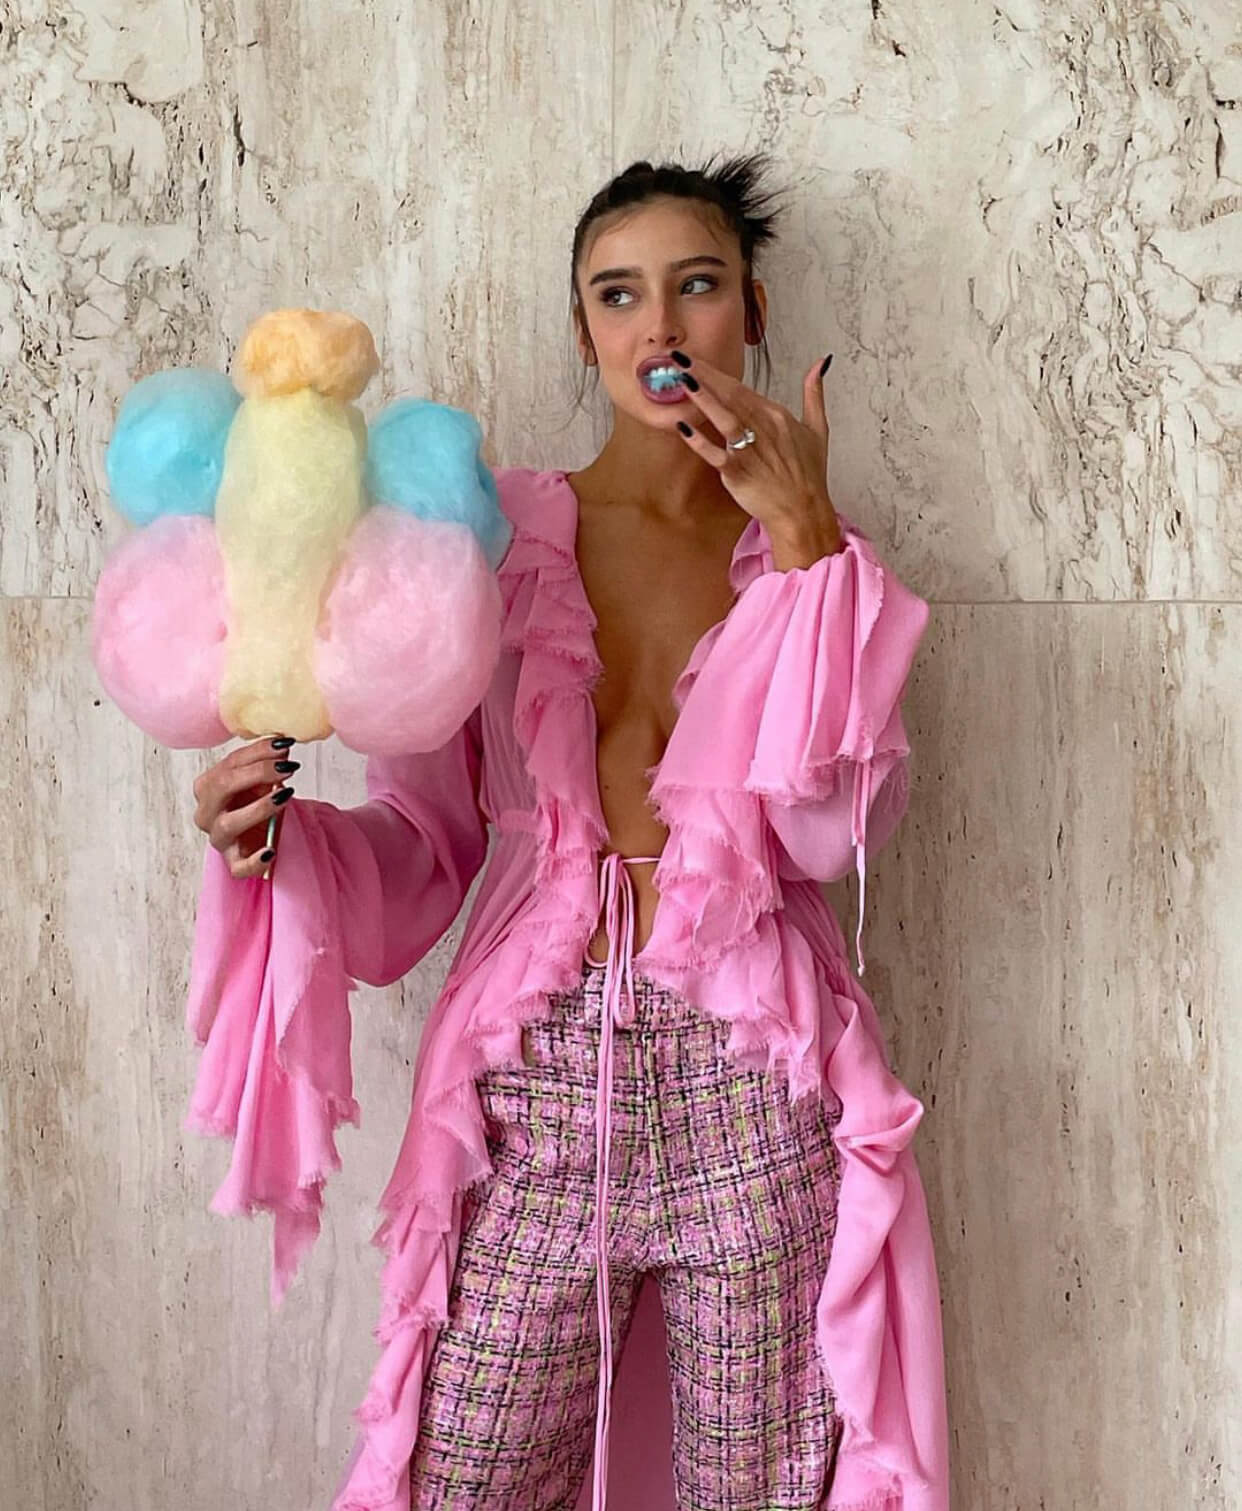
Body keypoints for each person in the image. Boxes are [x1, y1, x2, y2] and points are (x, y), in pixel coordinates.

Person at [188, 154, 949, 1511]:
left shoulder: (822, 557)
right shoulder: (487, 544)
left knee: (762, 1493)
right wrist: (277, 838)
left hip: (756, 1080)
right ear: (583, 327)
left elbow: (832, 836)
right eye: (618, 293)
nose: (660, 324)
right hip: (533, 1082)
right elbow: (425, 843)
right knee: (459, 1478)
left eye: (696, 285)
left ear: (752, 310)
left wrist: (805, 548)